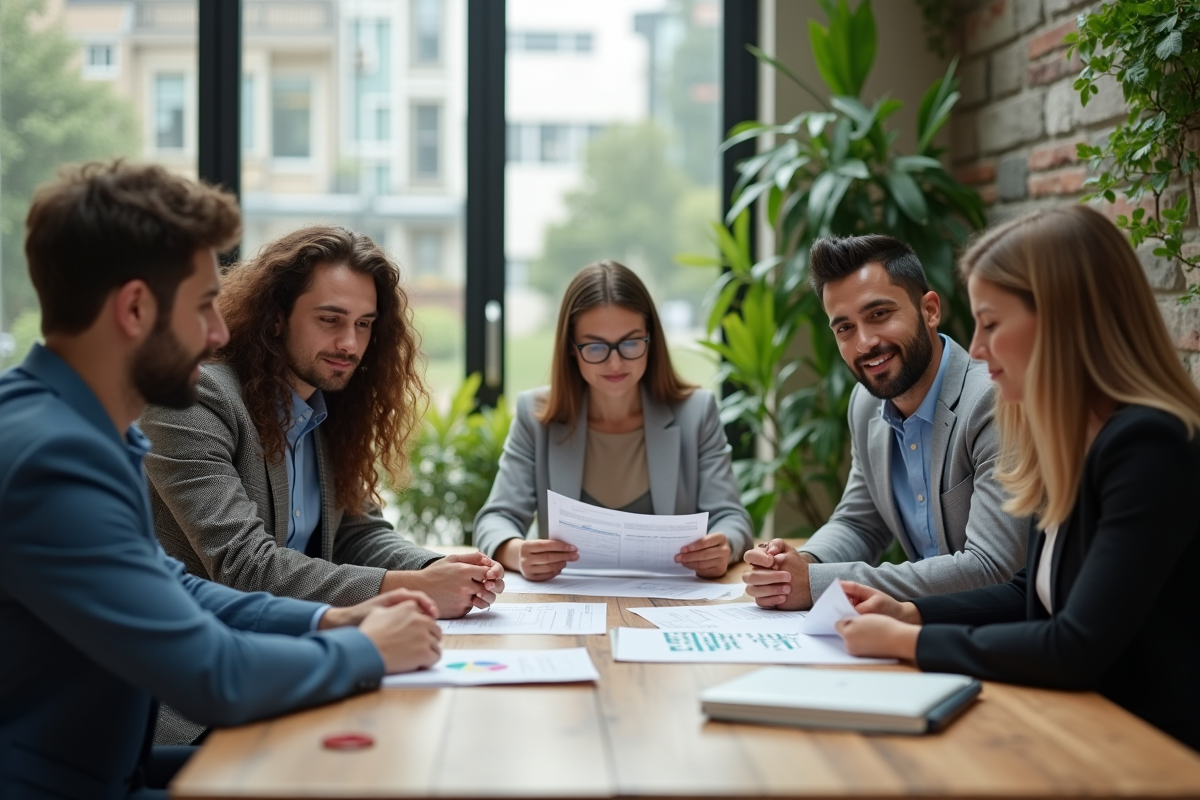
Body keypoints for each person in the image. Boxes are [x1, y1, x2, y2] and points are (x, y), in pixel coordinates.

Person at [0, 161, 443, 800]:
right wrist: (368, 651)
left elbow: (175, 586)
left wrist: (330, 623)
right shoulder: (51, 459)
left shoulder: (83, 428)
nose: (219, 330)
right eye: (205, 304)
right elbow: (212, 674)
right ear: (134, 308)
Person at [833, 205, 1200, 752]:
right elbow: (1029, 593)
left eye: (992, 323)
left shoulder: (1147, 446)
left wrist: (915, 642)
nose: (976, 348)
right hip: (1074, 730)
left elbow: (1075, 645)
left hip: (1149, 752)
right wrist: (912, 611)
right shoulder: (1073, 436)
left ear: (1060, 319)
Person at [141, 226, 502, 620]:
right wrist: (415, 588)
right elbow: (244, 566)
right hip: (199, 648)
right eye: (331, 319)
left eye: (364, 324)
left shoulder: (328, 405)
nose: (350, 343)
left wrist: (435, 569)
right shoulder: (193, 399)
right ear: (276, 318)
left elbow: (356, 532)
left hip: (300, 638)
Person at [743, 235, 1028, 609]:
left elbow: (994, 567)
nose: (864, 343)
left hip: (999, 640)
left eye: (879, 314)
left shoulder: (992, 402)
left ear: (929, 310)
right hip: (921, 630)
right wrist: (795, 566)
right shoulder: (866, 404)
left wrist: (817, 584)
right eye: (844, 328)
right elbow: (859, 523)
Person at [474, 260, 752, 579]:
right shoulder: (535, 415)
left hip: (670, 605)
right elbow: (495, 519)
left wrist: (723, 546)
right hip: (569, 605)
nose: (616, 362)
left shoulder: (697, 412)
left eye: (631, 343)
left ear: (652, 341)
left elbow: (732, 518)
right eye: (595, 347)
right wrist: (516, 551)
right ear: (571, 349)